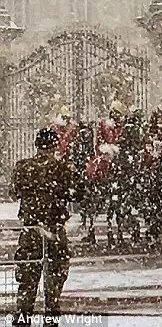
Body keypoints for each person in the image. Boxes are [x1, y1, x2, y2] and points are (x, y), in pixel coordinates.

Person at [10, 127, 83, 325]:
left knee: (27, 280)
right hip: (54, 230)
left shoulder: (22, 167)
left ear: (36, 145)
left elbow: (13, 192)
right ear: (55, 146)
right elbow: (77, 194)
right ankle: (50, 318)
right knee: (54, 281)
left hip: (31, 230)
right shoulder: (62, 168)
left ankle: (23, 318)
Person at [86, 99, 127, 183]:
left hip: (116, 158)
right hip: (104, 157)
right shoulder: (103, 124)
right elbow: (98, 141)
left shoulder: (122, 127)